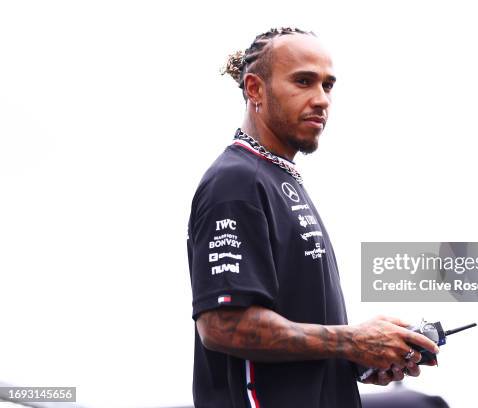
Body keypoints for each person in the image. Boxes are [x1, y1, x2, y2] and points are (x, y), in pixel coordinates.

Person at [186, 27, 440, 408]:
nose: (321, 100)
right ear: (255, 89)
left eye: (328, 85)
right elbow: (224, 325)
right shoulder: (236, 181)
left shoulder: (277, 177)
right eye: (303, 82)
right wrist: (352, 340)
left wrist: (359, 359)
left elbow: (298, 336)